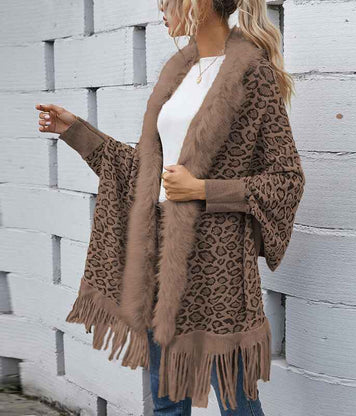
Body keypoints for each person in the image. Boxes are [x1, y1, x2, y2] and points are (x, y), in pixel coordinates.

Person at [35, 1, 305, 414]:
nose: (160, 5)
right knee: (165, 403)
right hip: (160, 259)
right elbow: (147, 170)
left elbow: (286, 180)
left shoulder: (253, 73)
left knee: (237, 403)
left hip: (218, 266)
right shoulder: (178, 71)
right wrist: (76, 131)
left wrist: (203, 189)